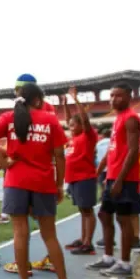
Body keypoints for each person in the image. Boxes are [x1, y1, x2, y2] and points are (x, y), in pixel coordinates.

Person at [0, 83, 76, 279]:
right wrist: (59, 184)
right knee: (49, 235)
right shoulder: (50, 119)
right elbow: (60, 155)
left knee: (20, 233)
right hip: (43, 181)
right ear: (37, 100)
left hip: (16, 181)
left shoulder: (8, 117)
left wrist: (4, 163)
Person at [87, 83, 140, 278]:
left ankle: (125, 264)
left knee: (123, 218)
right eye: (111, 96)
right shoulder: (119, 118)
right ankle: (109, 257)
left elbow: (133, 150)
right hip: (112, 176)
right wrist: (101, 171)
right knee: (104, 214)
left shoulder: (131, 119)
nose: (114, 99)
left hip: (125, 178)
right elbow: (113, 150)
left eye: (118, 96)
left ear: (129, 96)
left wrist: (119, 179)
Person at [61, 87, 99, 255]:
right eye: (68, 125)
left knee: (88, 210)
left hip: (85, 177)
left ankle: (88, 243)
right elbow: (69, 118)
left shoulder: (88, 136)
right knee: (82, 211)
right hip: (74, 178)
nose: (70, 127)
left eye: (72, 125)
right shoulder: (73, 138)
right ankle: (83, 239)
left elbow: (83, 120)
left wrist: (75, 100)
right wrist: (66, 105)